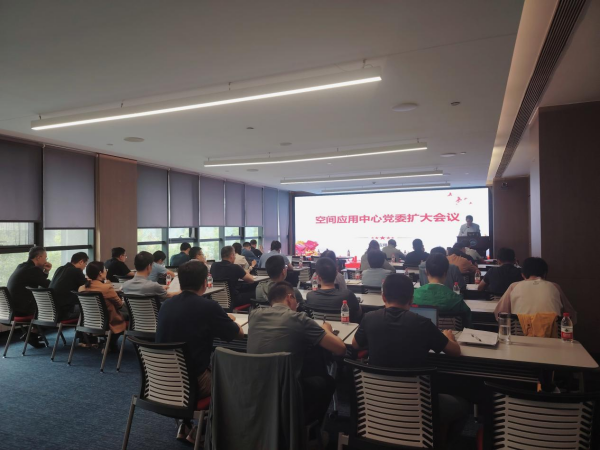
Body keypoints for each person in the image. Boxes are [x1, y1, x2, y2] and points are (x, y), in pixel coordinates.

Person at [351, 274, 467, 446]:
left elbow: (355, 345)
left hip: (376, 401)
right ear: (412, 300)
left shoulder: (369, 318)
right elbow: (455, 352)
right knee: (462, 406)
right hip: (417, 405)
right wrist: (449, 337)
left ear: (383, 297)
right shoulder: (423, 323)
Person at [156, 260, 243, 443]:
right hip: (193, 383)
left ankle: (185, 424)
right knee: (236, 379)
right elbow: (237, 334)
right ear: (205, 282)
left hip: (159, 382)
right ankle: (202, 430)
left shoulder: (165, 305)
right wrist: (228, 318)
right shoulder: (208, 307)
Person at [247, 281, 346, 426]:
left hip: (255, 388)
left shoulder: (253, 316)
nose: (297, 306)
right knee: (327, 382)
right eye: (296, 302)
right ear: (289, 298)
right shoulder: (299, 319)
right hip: (287, 393)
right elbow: (340, 349)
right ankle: (308, 429)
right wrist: (326, 329)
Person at [494, 257, 577, 323]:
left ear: (522, 275)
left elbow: (499, 313)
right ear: (545, 274)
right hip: (552, 335)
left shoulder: (514, 286)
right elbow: (571, 316)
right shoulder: (555, 287)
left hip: (519, 334)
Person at [7, 246, 53, 348]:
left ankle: (32, 334)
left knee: (44, 307)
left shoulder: (22, 266)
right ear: (38, 257)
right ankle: (32, 334)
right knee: (52, 312)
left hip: (11, 309)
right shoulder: (33, 270)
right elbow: (47, 285)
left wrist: (45, 272)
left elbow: (39, 280)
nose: (46, 260)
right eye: (45, 257)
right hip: (21, 310)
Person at [78, 261, 127, 351]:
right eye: (105, 269)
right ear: (100, 273)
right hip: (108, 321)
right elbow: (119, 305)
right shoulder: (106, 288)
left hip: (89, 321)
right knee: (128, 313)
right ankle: (111, 343)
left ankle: (110, 344)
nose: (106, 271)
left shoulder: (81, 288)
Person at [413, 253, 472, 326]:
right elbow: (468, 325)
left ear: (426, 272)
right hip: (450, 333)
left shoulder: (413, 296)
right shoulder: (457, 300)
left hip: (420, 332)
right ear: (445, 273)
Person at [306, 257, 362, 322]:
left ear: (318, 278)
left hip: (319, 328)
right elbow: (359, 313)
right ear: (336, 274)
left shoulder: (310, 296)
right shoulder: (347, 295)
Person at [49, 251, 89, 319]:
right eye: (85, 264)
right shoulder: (76, 271)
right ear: (81, 262)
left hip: (53, 310)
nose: (85, 267)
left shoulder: (60, 269)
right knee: (97, 308)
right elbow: (87, 286)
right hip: (66, 311)